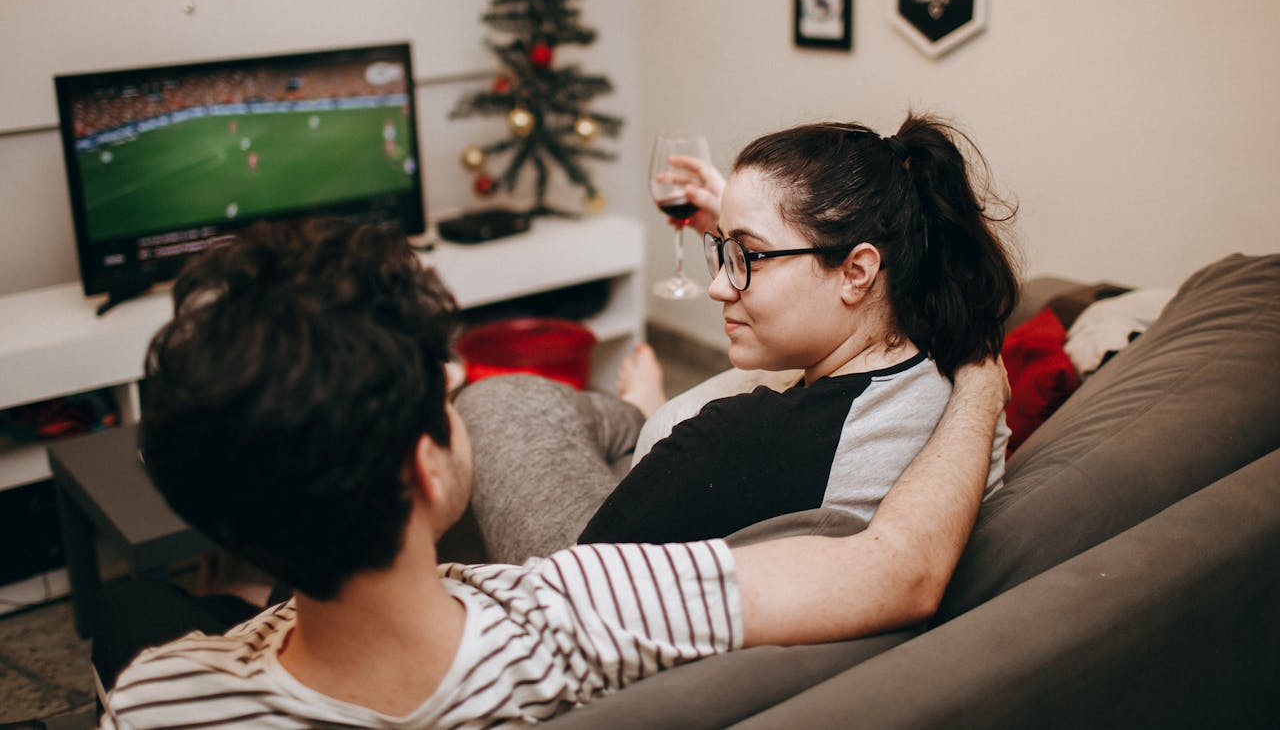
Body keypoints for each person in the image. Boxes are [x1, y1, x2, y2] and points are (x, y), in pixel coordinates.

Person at [100, 217, 1005, 729]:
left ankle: (242, 588)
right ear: (424, 465)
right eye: (449, 401)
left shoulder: (159, 696)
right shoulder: (586, 606)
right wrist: (981, 376)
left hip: (270, 622)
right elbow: (904, 566)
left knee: (128, 613)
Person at [467, 114, 1019, 560]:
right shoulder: (943, 358)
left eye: (748, 256)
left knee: (501, 398)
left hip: (586, 564)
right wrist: (744, 231)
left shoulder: (742, 440)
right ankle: (636, 415)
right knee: (586, 410)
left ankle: (634, 416)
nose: (717, 287)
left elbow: (576, 586)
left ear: (857, 272)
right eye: (723, 252)